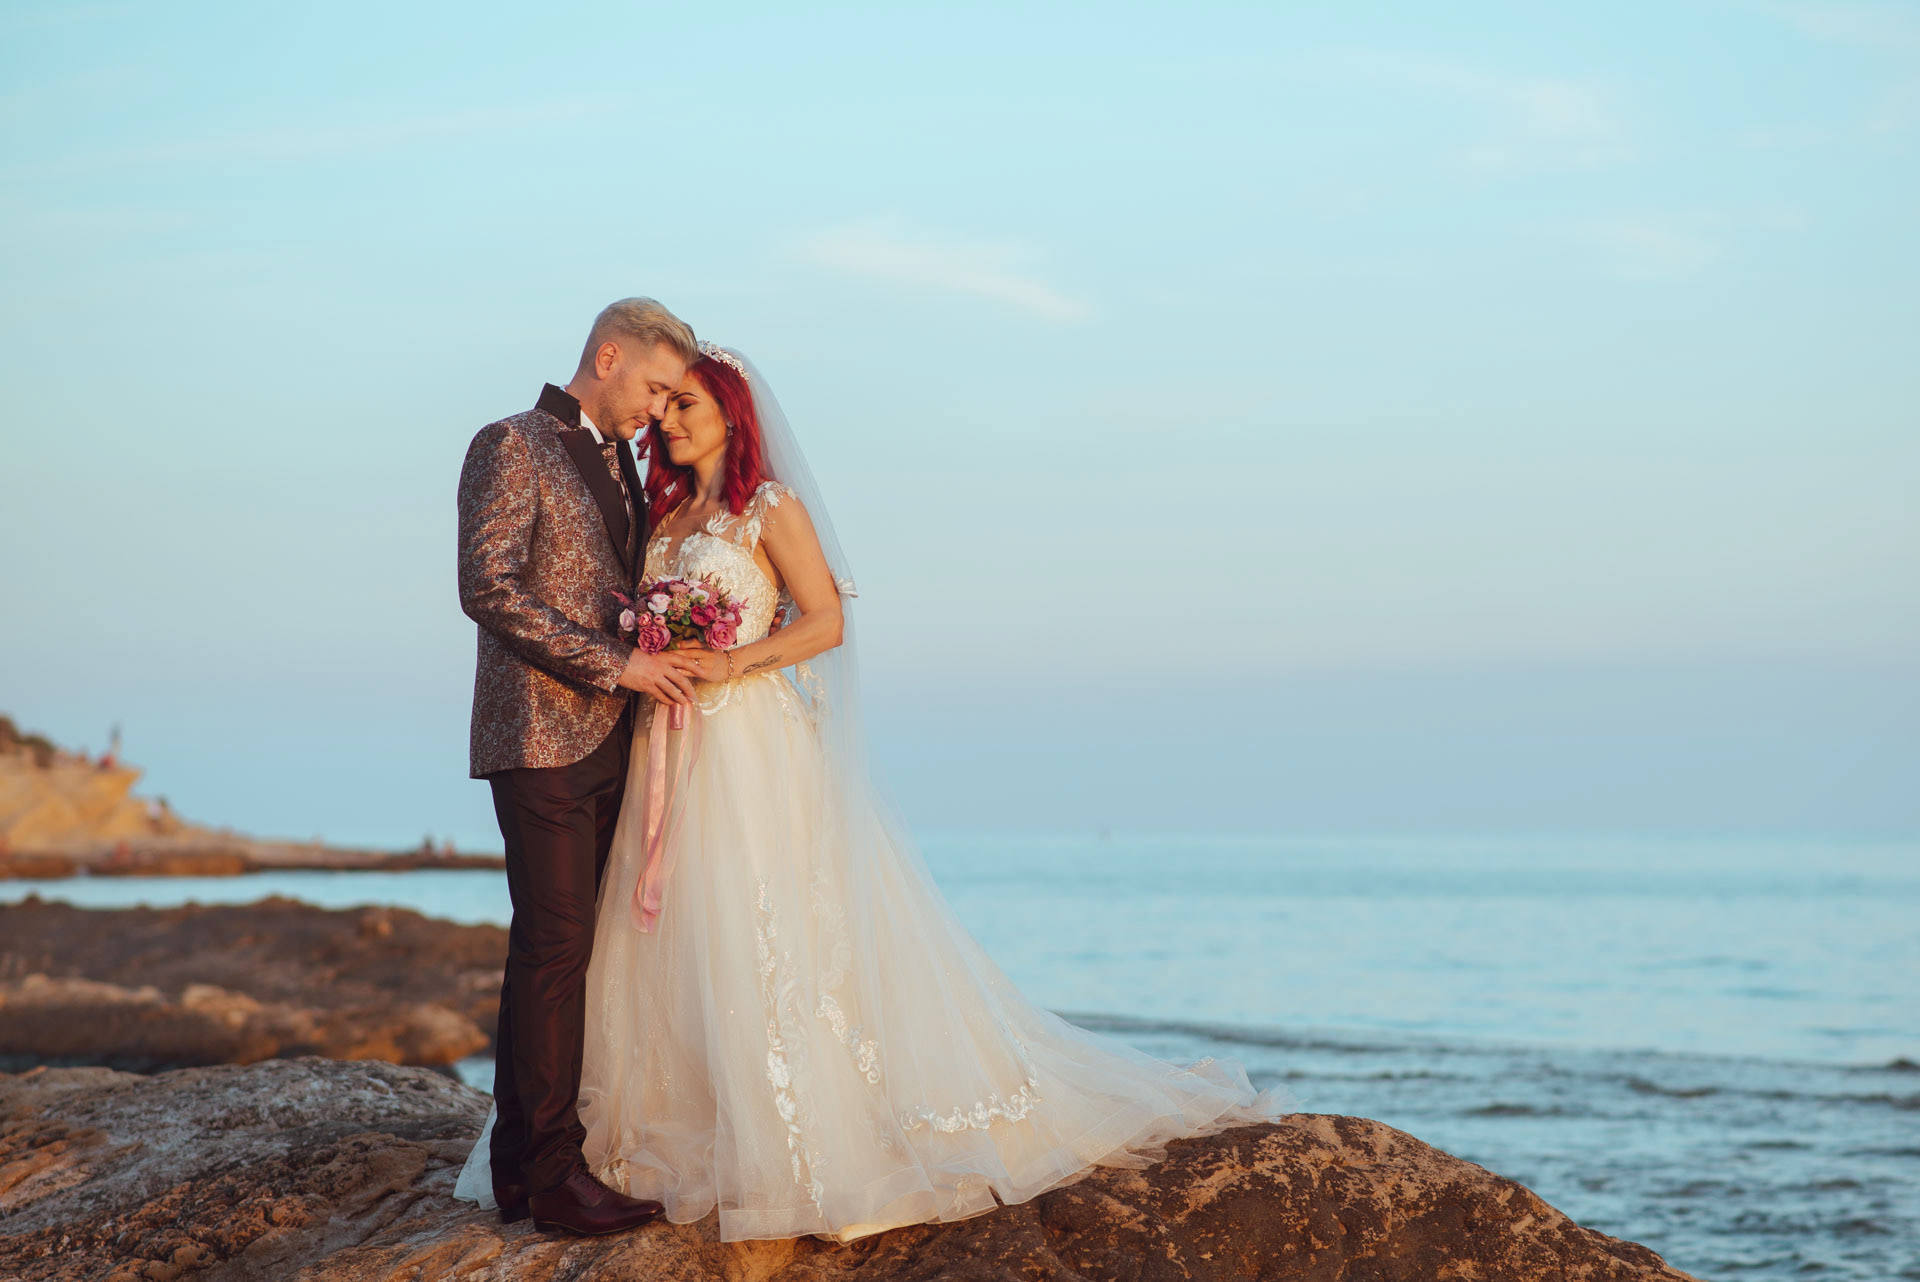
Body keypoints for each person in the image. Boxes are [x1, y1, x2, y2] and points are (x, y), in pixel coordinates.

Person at [454, 341, 1289, 1241]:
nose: (666, 420)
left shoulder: (769, 509)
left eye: (685, 404)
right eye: (663, 405)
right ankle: (610, 1137)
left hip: (748, 743)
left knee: (758, 922)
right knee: (662, 935)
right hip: (665, 742)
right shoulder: (657, 519)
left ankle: (786, 1133)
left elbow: (827, 620)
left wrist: (732, 661)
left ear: (733, 415)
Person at [454, 297, 702, 1235]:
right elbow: (488, 587)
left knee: (553, 952)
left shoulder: (626, 466)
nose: (657, 409)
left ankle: (522, 1163)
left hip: (610, 743)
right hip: (538, 736)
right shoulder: (511, 442)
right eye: (653, 386)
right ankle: (558, 1178)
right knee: (557, 951)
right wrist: (621, 664)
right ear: (607, 355)